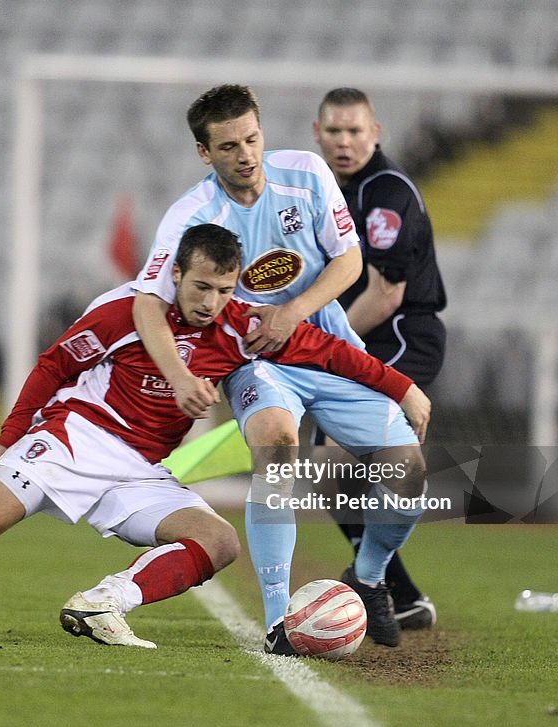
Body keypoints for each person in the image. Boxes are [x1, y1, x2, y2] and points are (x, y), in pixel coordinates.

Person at [0, 224, 429, 649]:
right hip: (75, 437)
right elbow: (56, 364)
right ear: (176, 273)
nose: (210, 300)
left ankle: (101, 602)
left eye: (223, 289)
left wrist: (401, 388)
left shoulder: (241, 327)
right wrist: (9, 435)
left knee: (218, 540)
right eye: (201, 285)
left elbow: (333, 356)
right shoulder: (123, 312)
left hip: (139, 467)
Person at [132, 85, 428, 651]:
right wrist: (178, 374)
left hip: (327, 345)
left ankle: (367, 579)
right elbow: (148, 301)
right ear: (204, 153)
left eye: (252, 138)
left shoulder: (307, 173)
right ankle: (276, 621)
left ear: (262, 131)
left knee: (408, 471)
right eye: (228, 146)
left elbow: (350, 261)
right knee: (276, 443)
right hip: (256, 361)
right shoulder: (192, 215)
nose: (245, 154)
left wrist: (293, 312)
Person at [312, 87, 448, 629]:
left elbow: (386, 293)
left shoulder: (384, 192)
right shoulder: (336, 191)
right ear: (317, 134)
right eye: (335, 132)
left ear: (376, 132)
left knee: (342, 459)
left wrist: (320, 343)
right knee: (329, 470)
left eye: (354, 131)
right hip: (373, 337)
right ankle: (397, 592)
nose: (345, 142)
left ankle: (381, 586)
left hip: (399, 335)